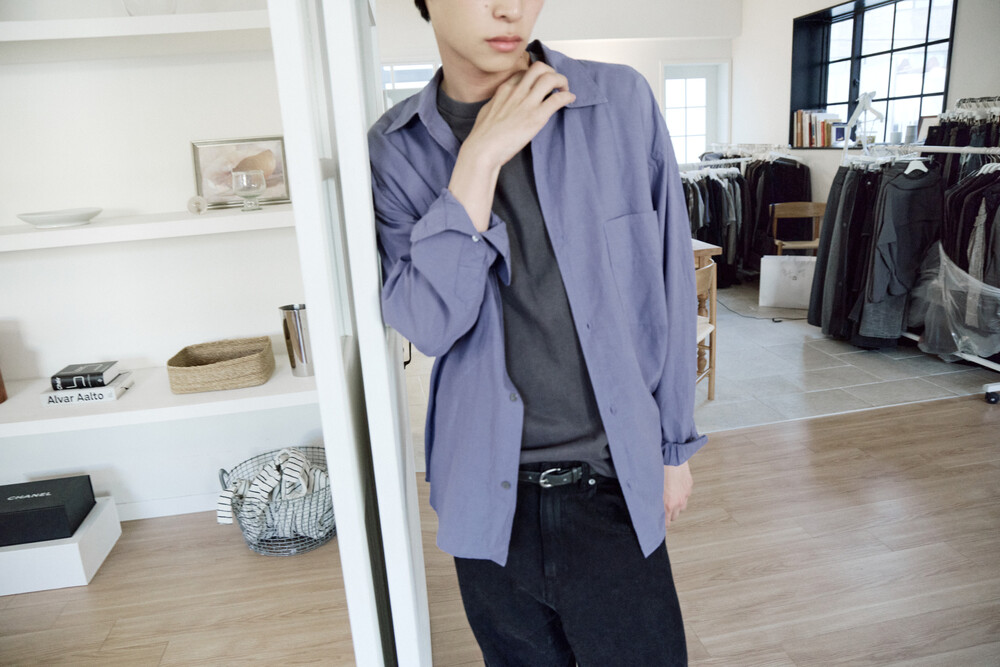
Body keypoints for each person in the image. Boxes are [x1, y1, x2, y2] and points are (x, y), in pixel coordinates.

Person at [368, 0, 707, 663]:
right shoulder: (396, 150)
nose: (510, 8)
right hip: (486, 500)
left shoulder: (618, 104)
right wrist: (479, 159)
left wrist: (673, 447)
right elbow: (430, 324)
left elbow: (667, 281)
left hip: (613, 483)